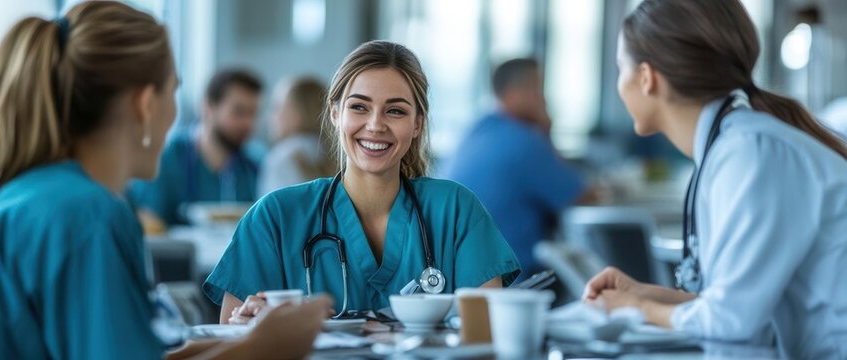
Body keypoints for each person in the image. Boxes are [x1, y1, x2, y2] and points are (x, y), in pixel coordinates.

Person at [0, 2, 329, 359]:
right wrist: (260, 349)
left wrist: (248, 343)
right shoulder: (88, 215)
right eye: (173, 91)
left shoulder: (43, 194)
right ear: (145, 103)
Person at [583, 1, 847, 358]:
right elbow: (740, 305)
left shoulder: (750, 153)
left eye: (620, 68)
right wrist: (646, 294)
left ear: (646, 78)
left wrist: (638, 309)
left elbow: (733, 322)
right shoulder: (736, 144)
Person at [204, 40, 521, 323]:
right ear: (334, 113)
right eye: (359, 107)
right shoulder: (274, 218)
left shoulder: (456, 211)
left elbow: (487, 337)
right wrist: (251, 330)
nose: (375, 125)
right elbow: (229, 342)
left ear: (417, 124)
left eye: (395, 111)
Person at [443, 58, 592, 279]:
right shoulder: (525, 141)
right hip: (507, 281)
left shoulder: (476, 130)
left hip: (454, 276)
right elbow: (581, 197)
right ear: (513, 94)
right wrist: (546, 131)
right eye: (537, 89)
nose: (544, 99)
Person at [128, 69, 262, 226]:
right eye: (238, 112)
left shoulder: (255, 165)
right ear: (208, 108)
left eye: (253, 114)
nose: (248, 123)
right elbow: (147, 221)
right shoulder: (166, 159)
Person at [257, 77, 335, 197]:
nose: (270, 115)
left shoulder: (280, 158)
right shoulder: (337, 154)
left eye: (277, 106)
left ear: (296, 114)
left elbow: (272, 208)